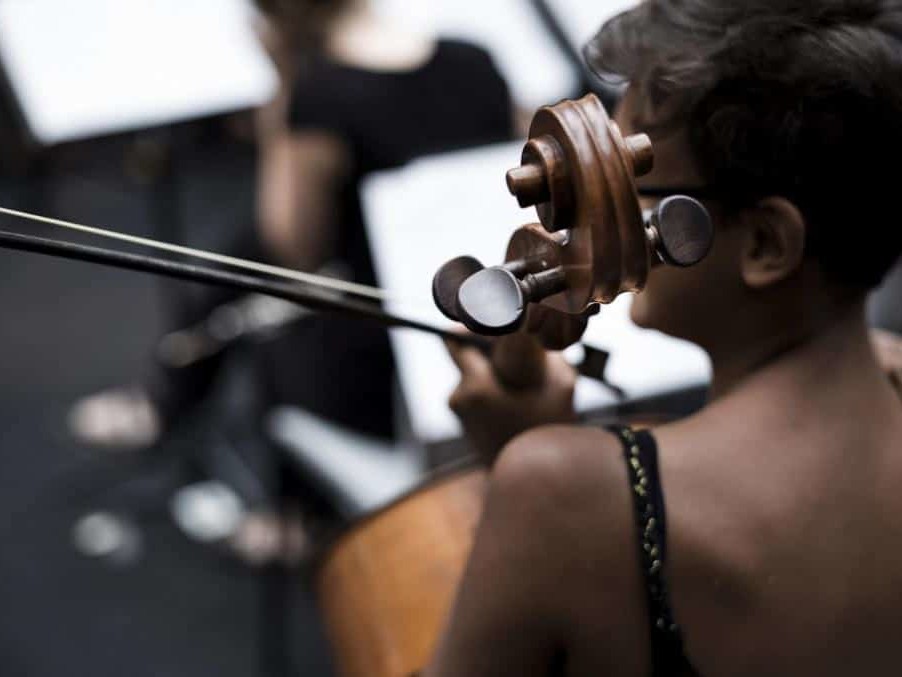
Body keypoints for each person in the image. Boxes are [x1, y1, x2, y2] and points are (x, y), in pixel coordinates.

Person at [425, 1, 902, 674]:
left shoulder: (562, 496)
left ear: (766, 242)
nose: (594, 222)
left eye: (635, 193)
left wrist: (512, 462)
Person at [69, 0, 513, 447]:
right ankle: (173, 392)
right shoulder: (476, 58)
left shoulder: (321, 96)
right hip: (490, 308)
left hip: (388, 355)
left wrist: (283, 94)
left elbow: (292, 248)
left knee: (256, 280)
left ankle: (286, 503)